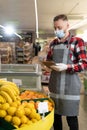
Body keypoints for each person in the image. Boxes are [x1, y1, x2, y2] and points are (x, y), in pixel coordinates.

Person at [46, 14, 87, 130]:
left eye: (59, 27)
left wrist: (67, 67)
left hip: (70, 88)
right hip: (55, 86)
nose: (57, 30)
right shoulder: (53, 43)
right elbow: (49, 60)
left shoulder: (77, 42)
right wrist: (48, 65)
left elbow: (84, 64)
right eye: (55, 28)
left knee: (71, 118)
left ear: (67, 25)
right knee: (56, 117)